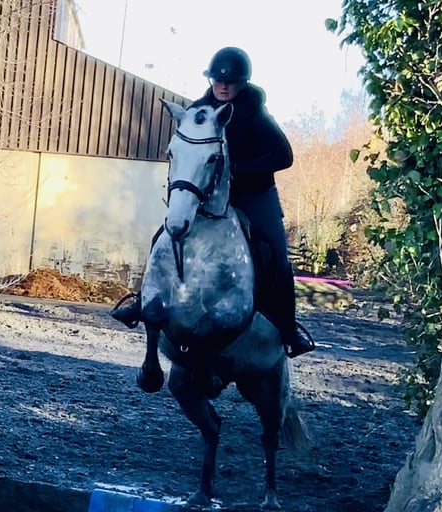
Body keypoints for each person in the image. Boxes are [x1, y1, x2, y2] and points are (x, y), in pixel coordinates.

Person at [111, 46, 314, 359]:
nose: (223, 86)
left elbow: (284, 156)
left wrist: (237, 169)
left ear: (242, 83)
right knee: (165, 234)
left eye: (230, 82)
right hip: (209, 194)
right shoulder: (199, 110)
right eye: (218, 80)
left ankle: (288, 328)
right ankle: (143, 300)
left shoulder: (256, 114)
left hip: (254, 194)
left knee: (277, 253)